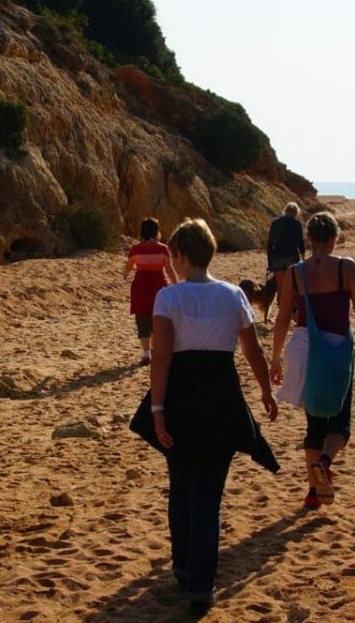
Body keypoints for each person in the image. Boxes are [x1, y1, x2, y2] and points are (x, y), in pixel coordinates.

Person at [137, 219, 279, 616]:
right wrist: (266, 392)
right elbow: (253, 353)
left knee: (181, 485)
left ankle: (183, 567)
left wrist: (158, 410)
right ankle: (201, 586)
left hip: (181, 398)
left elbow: (162, 358)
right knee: (209, 498)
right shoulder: (234, 295)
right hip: (221, 398)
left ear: (179, 256)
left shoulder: (169, 298)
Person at [269, 211, 355, 510]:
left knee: (315, 424)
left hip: (303, 348)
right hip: (336, 349)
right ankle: (325, 463)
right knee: (340, 424)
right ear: (333, 238)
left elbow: (281, 317)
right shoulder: (345, 267)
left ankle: (313, 492)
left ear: (310, 239)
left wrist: (276, 358)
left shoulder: (295, 271)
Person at [124, 217, 178, 365]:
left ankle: (146, 353)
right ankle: (155, 349)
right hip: (158, 287)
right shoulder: (162, 249)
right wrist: (176, 284)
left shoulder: (135, 249)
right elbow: (168, 269)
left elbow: (129, 266)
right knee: (158, 318)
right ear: (156, 231)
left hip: (140, 286)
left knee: (142, 319)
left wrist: (125, 275)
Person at [263, 202, 306, 316]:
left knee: (281, 288)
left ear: (285, 210)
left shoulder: (276, 223)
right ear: (296, 213)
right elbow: (300, 241)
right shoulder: (297, 223)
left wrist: (270, 262)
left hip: (277, 258)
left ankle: (283, 313)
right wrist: (303, 255)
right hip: (292, 257)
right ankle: (294, 310)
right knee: (294, 286)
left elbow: (270, 243)